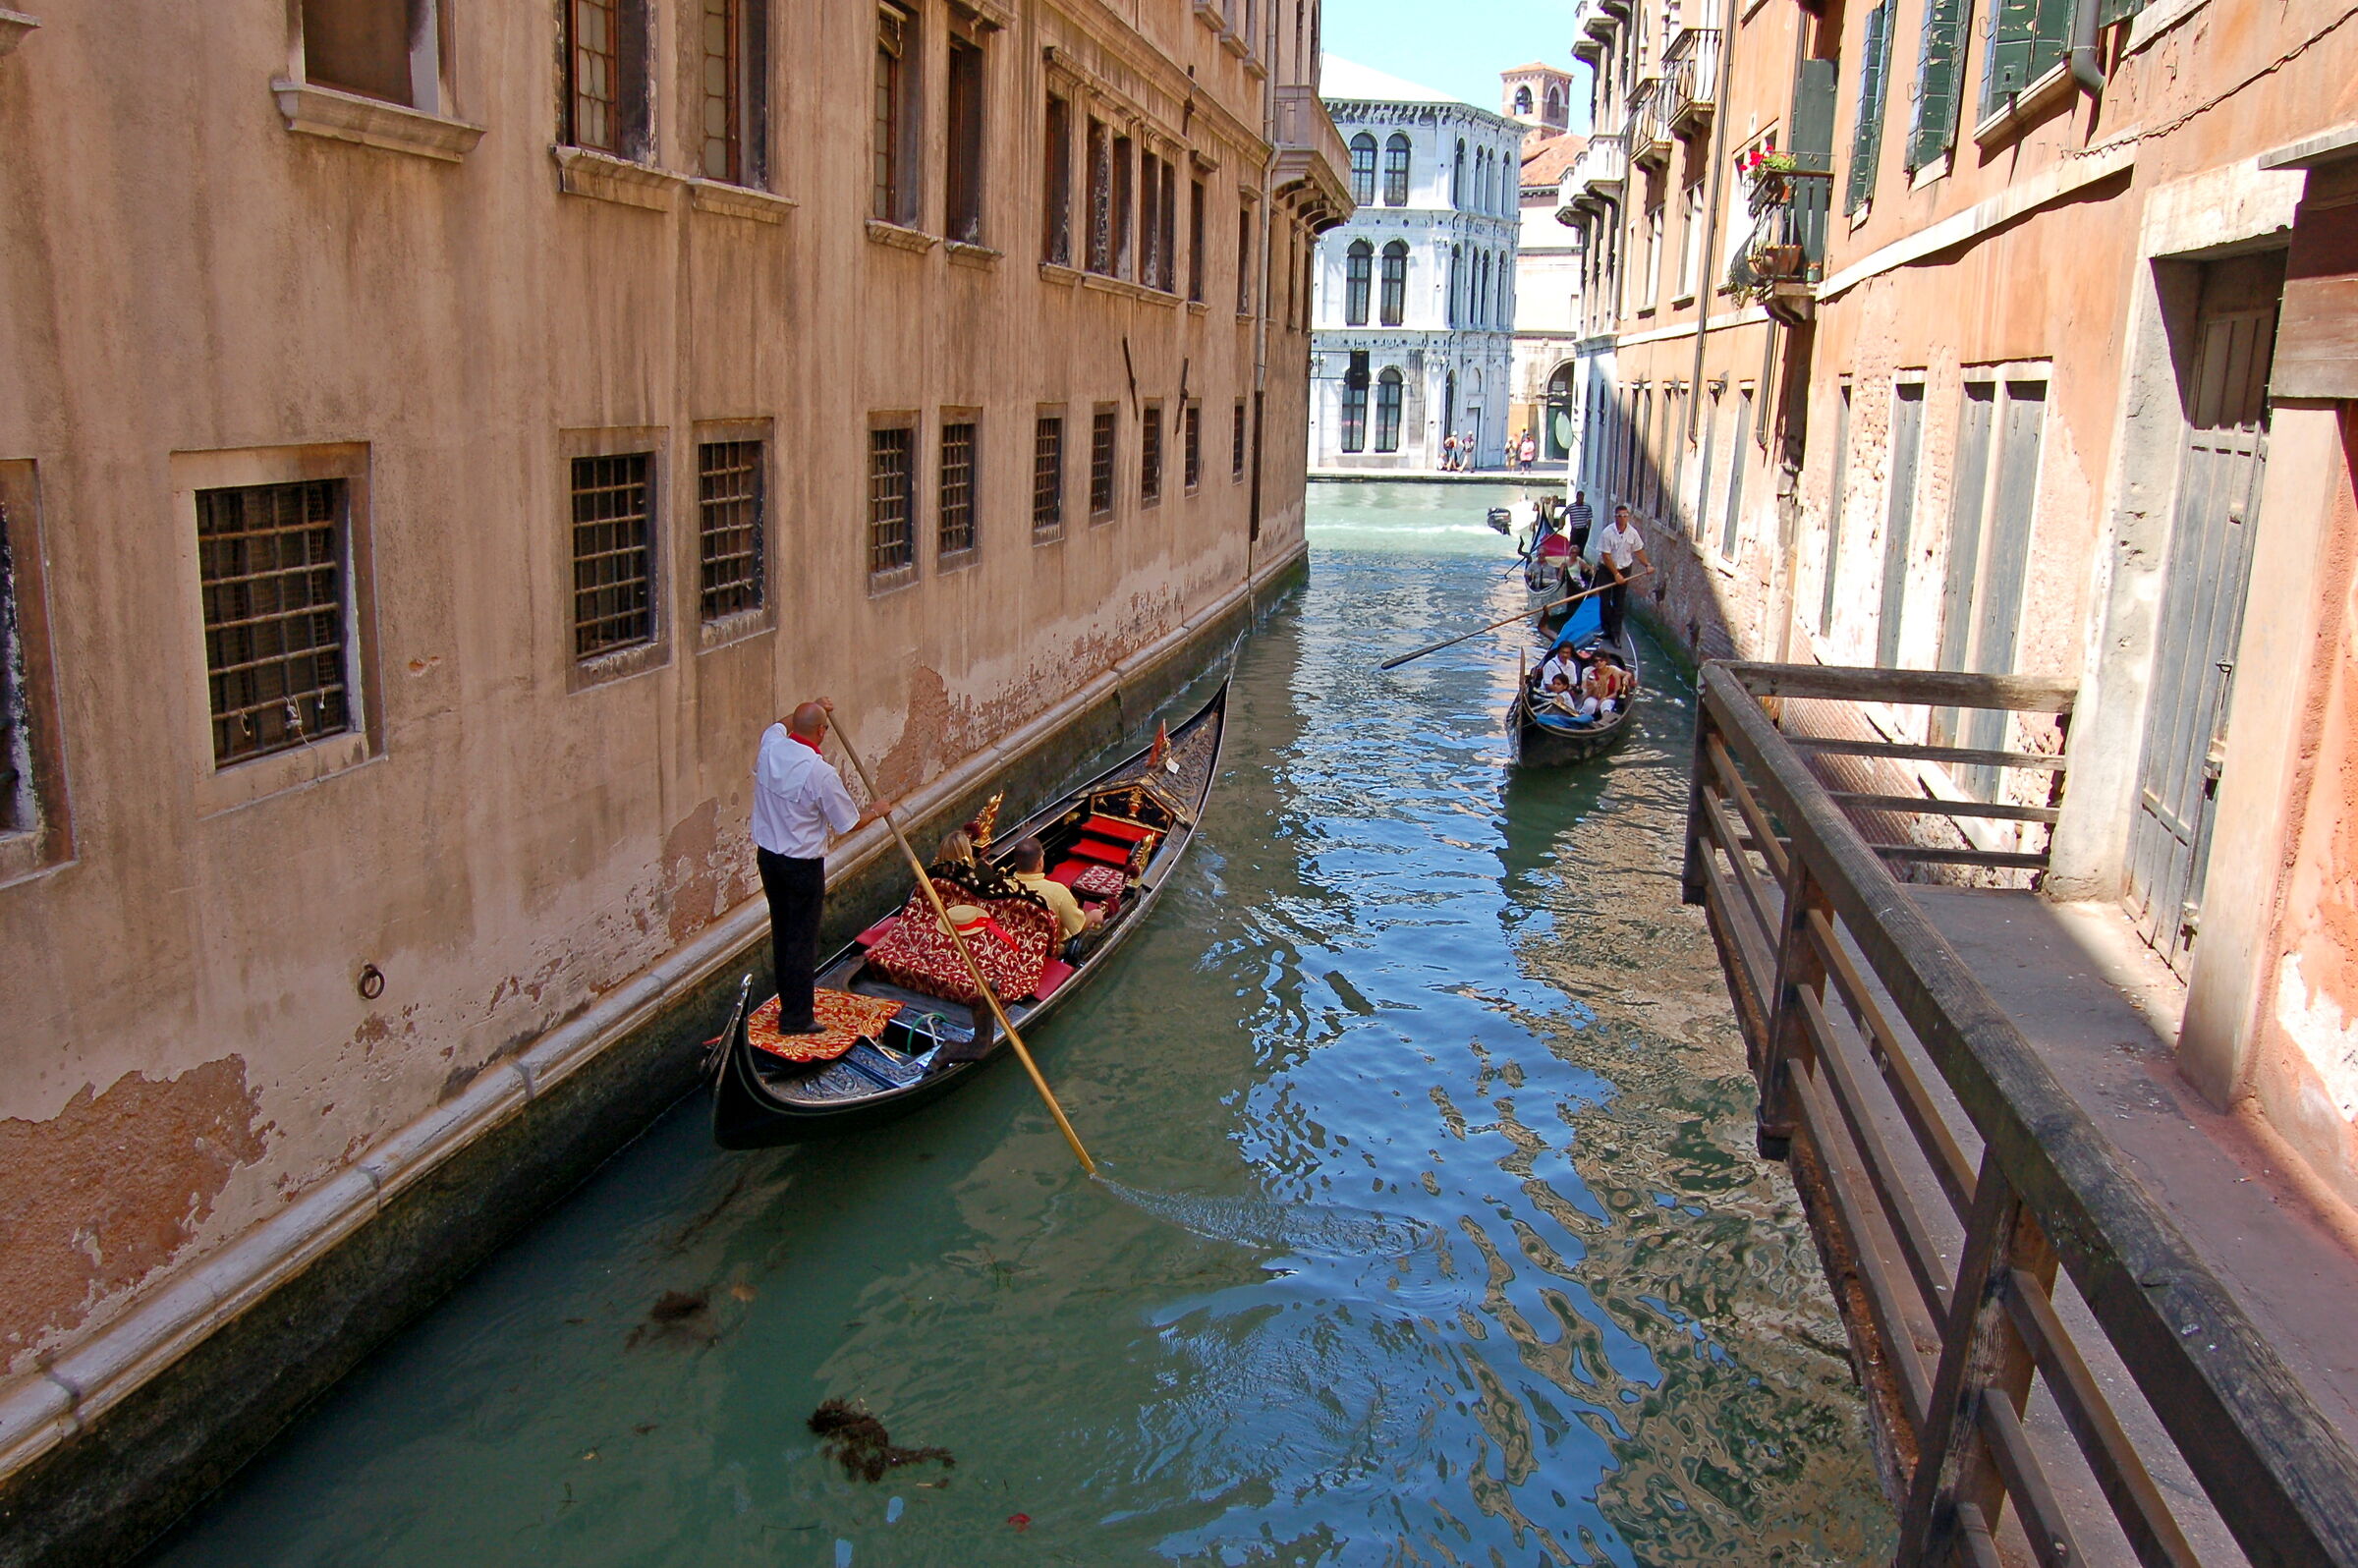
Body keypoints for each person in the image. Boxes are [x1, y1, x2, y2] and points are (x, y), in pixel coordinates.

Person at [752, 700, 893, 1035]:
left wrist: (815, 704)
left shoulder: (770, 745)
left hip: (768, 860)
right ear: (821, 731)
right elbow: (848, 823)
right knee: (801, 942)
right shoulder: (820, 773)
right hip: (801, 868)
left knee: (783, 934)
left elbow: (783, 723)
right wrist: (878, 810)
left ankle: (789, 1004)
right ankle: (796, 1019)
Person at [1006, 836, 1101, 959]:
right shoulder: (1057, 892)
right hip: (1048, 952)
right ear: (1040, 862)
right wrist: (1093, 915)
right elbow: (1077, 928)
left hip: (1012, 942)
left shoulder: (1001, 885)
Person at [1596, 503, 1651, 643]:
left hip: (1625, 569)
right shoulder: (1607, 533)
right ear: (1615, 517)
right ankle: (1606, 630)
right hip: (1606, 569)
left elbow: (1639, 550)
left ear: (1628, 517)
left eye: (1625, 516)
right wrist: (1615, 574)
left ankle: (1616, 634)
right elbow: (1606, 556)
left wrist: (1647, 565)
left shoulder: (1633, 533)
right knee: (1605, 601)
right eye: (1619, 516)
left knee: (1619, 603)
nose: (1622, 519)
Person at [1563, 488, 1595, 555]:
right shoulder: (1571, 507)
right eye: (1579, 498)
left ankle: (1580, 559)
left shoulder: (1587, 506)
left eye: (1582, 498)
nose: (1580, 500)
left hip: (1583, 530)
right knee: (1572, 548)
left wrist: (1587, 530)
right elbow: (1563, 515)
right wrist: (1561, 524)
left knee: (1581, 548)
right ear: (1576, 497)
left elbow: (1589, 519)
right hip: (1575, 530)